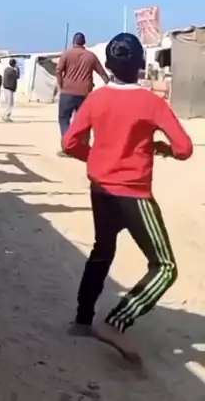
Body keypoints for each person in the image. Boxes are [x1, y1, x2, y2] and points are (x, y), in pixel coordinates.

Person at [62, 32, 193, 364]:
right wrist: (161, 148)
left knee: (102, 251)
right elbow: (184, 148)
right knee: (165, 267)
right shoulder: (151, 103)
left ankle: (82, 320)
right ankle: (117, 322)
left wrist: (97, 158)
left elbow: (70, 143)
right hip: (134, 193)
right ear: (140, 65)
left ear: (108, 65)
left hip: (101, 190)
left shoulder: (96, 99)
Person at [56, 33, 109, 146]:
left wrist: (61, 86)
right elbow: (102, 73)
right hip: (85, 93)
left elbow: (58, 71)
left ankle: (67, 143)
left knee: (64, 118)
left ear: (73, 42)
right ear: (84, 42)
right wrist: (110, 86)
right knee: (84, 121)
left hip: (67, 91)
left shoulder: (66, 54)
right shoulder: (90, 56)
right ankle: (83, 144)